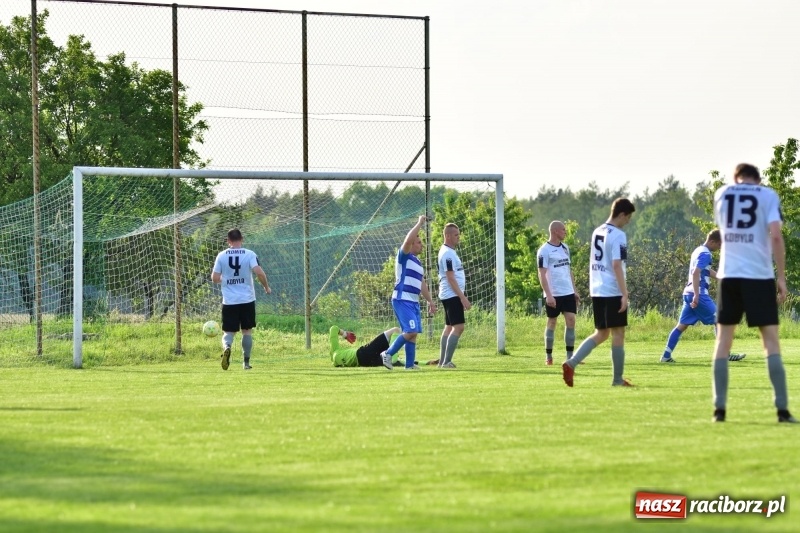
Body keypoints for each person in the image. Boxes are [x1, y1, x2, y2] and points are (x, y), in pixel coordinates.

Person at [711, 163, 796, 423]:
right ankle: (782, 410)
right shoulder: (768, 195)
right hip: (759, 276)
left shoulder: (722, 193)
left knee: (723, 341)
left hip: (729, 275)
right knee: (770, 341)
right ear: (757, 180)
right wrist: (781, 277)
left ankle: (720, 410)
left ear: (736, 178)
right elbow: (776, 237)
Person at [562, 198, 635, 387]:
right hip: (613, 290)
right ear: (621, 214)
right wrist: (624, 293)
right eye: (628, 217)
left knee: (601, 333)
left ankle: (571, 363)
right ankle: (617, 380)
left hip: (597, 289)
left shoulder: (597, 231)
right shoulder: (618, 235)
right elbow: (617, 264)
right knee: (618, 333)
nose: (628, 221)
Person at [660, 229, 745, 363]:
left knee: (681, 326)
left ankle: (666, 356)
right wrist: (697, 295)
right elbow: (695, 273)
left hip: (688, 293)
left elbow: (704, 270)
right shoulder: (706, 254)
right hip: (697, 294)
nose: (719, 248)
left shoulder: (697, 251)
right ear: (712, 241)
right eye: (718, 245)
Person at [380, 215, 436, 371]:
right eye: (419, 242)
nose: (422, 246)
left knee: (413, 334)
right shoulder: (403, 256)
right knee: (410, 331)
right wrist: (420, 223)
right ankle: (387, 353)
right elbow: (407, 240)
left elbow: (422, 283)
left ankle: (410, 366)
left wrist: (430, 301)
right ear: (411, 244)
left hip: (413, 302)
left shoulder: (417, 262)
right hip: (402, 299)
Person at [211, 228, 271, 371]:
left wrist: (225, 280)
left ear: (228, 241)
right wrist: (266, 287)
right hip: (247, 299)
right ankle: (246, 363)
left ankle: (227, 347)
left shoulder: (221, 255)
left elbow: (214, 278)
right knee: (247, 331)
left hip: (229, 300)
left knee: (228, 332)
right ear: (242, 239)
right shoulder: (249, 254)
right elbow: (259, 273)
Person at [537, 220, 580, 366]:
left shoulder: (566, 248)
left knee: (571, 321)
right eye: (563, 229)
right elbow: (542, 275)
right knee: (552, 322)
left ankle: (570, 357)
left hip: (567, 292)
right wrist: (548, 294)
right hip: (553, 293)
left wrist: (574, 290)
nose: (565, 232)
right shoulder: (544, 250)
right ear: (555, 231)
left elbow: (569, 270)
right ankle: (549, 356)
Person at [436, 223, 471, 369]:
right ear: (448, 235)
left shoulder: (449, 251)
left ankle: (441, 362)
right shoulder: (448, 254)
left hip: (448, 294)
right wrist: (462, 297)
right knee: (459, 327)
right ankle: (446, 362)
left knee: (449, 327)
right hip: (451, 295)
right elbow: (451, 278)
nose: (458, 237)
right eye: (456, 235)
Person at [328, 325, 403, 367]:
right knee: (395, 330)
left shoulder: (336, 362)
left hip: (365, 363)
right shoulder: (335, 350)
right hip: (362, 354)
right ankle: (393, 357)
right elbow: (333, 328)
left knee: (388, 360)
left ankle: (404, 361)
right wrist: (345, 334)